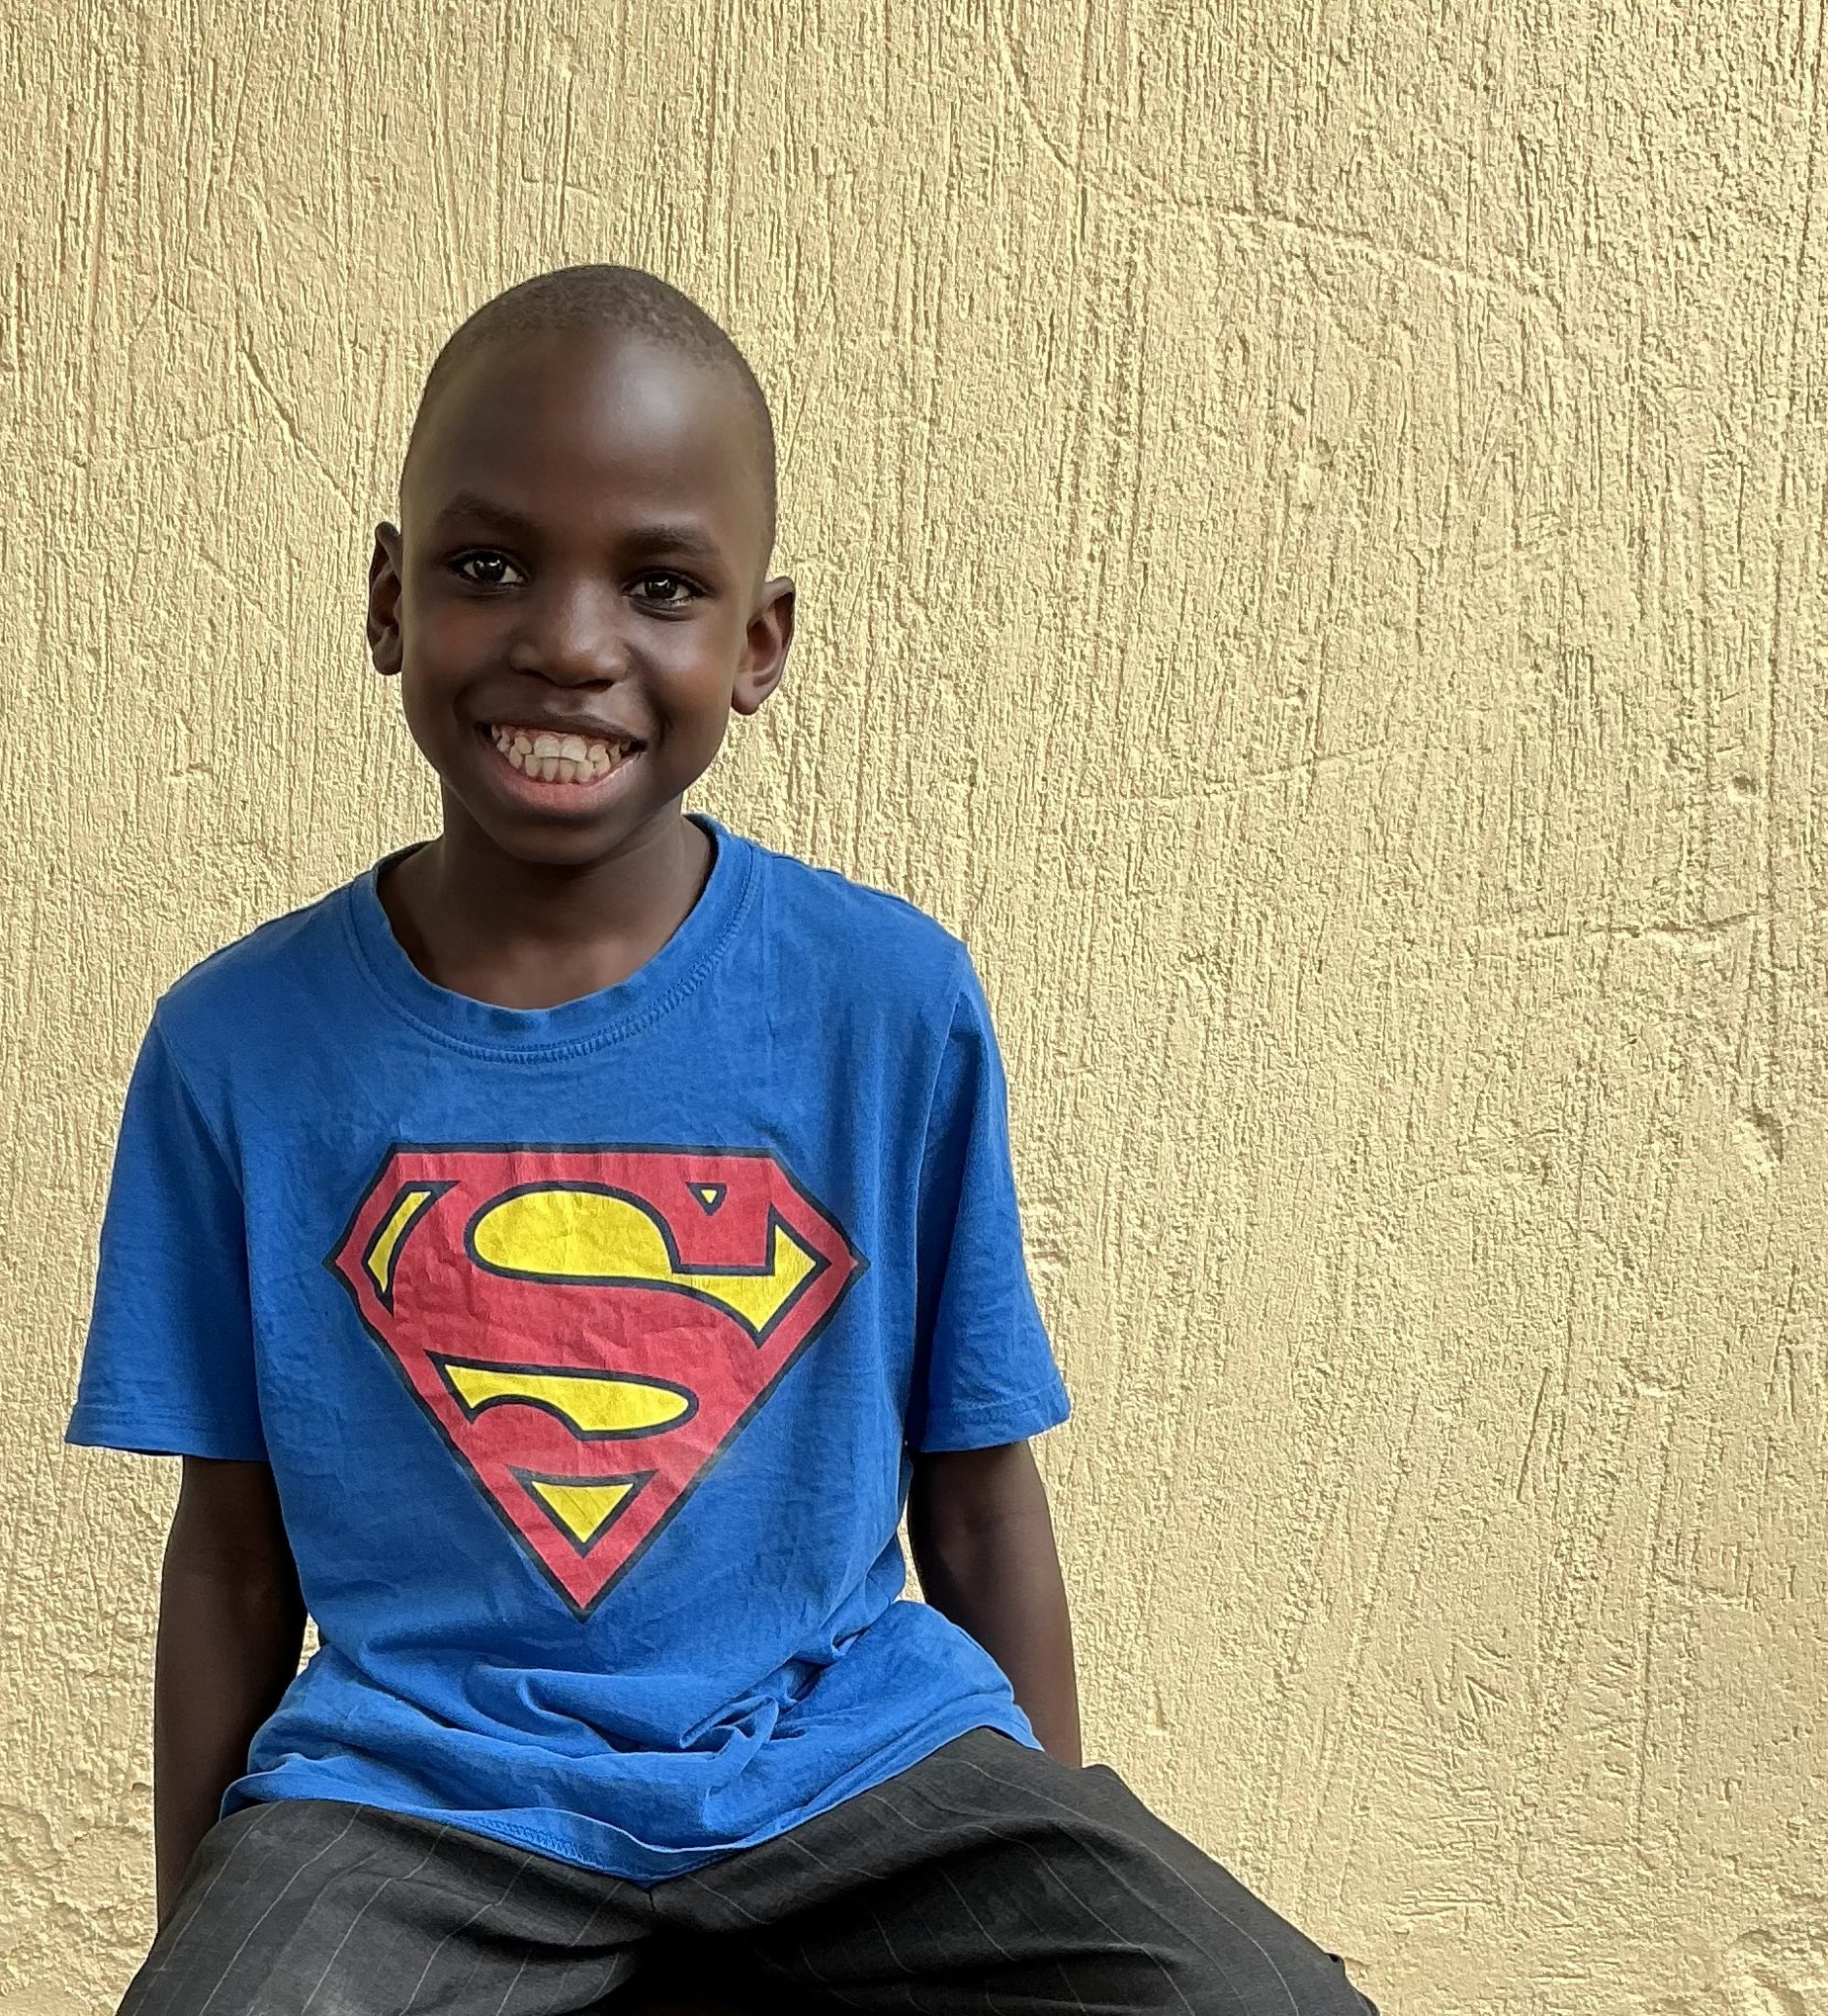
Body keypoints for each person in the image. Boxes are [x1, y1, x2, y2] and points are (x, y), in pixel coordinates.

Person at [66, 264, 1376, 2015]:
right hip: (419, 1796)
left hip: (850, 1760)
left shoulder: (884, 1002)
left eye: (661, 585)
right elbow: (231, 1556)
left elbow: (978, 1497)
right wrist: (197, 1948)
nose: (571, 638)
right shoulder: (236, 1047)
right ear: (388, 599)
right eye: (487, 564)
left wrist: (1040, 1855)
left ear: (756, 645)